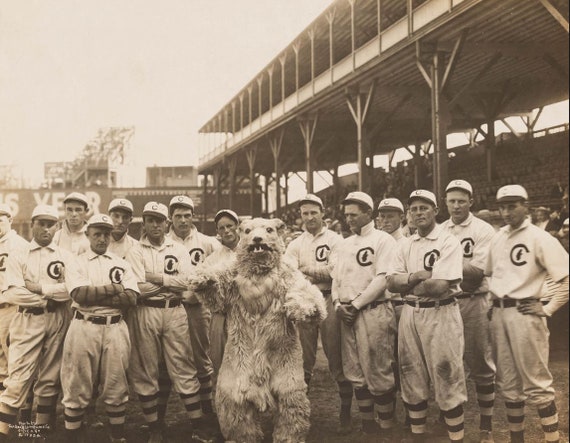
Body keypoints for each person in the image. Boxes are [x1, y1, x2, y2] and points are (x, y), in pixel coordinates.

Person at [125, 202, 216, 443]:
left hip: (175, 311)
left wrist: (154, 278)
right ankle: (155, 427)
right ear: (143, 222)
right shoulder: (135, 250)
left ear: (167, 223)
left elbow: (187, 281)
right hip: (145, 312)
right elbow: (138, 287)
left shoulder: (177, 248)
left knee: (184, 366)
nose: (156, 224)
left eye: (160, 220)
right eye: (151, 220)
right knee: (147, 369)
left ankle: (197, 424)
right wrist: (169, 282)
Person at [485, 185, 569, 443]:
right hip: (499, 314)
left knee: (537, 382)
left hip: (525, 313)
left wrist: (546, 309)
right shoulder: (498, 237)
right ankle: (516, 439)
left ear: (526, 206)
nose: (507, 212)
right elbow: (490, 274)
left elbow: (566, 279)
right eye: (503, 207)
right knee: (508, 383)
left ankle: (552, 439)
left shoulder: (540, 237)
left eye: (513, 206)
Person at [387, 189, 467, 443]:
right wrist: (415, 277)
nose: (418, 213)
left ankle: (457, 437)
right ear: (408, 214)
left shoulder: (448, 241)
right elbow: (391, 282)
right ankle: (418, 435)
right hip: (410, 312)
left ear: (435, 211)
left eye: (424, 207)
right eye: (414, 209)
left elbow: (439, 286)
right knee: (411, 373)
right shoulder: (404, 243)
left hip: (441, 311)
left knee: (446, 373)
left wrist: (407, 283)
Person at [0, 205, 84, 440]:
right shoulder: (20, 254)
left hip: (57, 319)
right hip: (27, 319)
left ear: (56, 227)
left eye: (51, 224)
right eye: (41, 223)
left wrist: (39, 288)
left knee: (49, 377)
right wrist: (46, 299)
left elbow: (70, 290)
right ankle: (3, 433)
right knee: (17, 377)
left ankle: (39, 432)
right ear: (32, 224)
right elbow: (13, 292)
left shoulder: (65, 256)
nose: (46, 228)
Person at [61, 214, 139, 442]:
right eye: (97, 233)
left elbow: (132, 297)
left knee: (116, 383)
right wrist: (115, 288)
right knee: (77, 385)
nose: (102, 238)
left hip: (115, 328)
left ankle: (117, 437)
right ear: (87, 235)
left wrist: (97, 294)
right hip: (83, 326)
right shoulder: (76, 262)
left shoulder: (121, 263)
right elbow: (79, 294)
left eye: (106, 233)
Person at [284, 194, 353, 435]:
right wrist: (311, 273)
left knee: (336, 357)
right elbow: (289, 274)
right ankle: (301, 412)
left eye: (314, 212)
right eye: (305, 213)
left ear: (323, 212)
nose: (310, 217)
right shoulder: (295, 243)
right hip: (304, 301)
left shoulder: (336, 239)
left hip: (328, 297)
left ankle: (345, 410)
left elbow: (335, 271)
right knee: (303, 359)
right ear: (300, 216)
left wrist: (307, 270)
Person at [331, 191, 397, 440]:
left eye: (354, 214)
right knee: (355, 372)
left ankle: (387, 427)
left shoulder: (383, 240)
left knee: (379, 370)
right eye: (346, 215)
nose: (349, 219)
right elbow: (335, 278)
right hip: (347, 314)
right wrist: (338, 304)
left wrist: (356, 305)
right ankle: (369, 426)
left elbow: (383, 279)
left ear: (368, 213)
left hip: (373, 310)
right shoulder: (344, 243)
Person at [441, 180, 496, 443]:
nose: (456, 206)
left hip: (475, 301)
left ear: (471, 202)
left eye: (461, 200)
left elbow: (476, 275)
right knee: (448, 362)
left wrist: (445, 262)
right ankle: (453, 423)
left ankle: (486, 425)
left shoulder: (483, 229)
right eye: (452, 201)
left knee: (481, 364)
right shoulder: (440, 229)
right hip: (448, 302)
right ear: (446, 202)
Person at [167, 195, 219, 417]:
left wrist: (199, 296)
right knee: (167, 359)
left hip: (198, 307)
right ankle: (161, 417)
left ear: (193, 216)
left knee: (201, 355)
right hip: (170, 307)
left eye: (187, 215)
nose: (183, 220)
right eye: (178, 216)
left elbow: (219, 274)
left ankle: (206, 411)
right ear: (170, 218)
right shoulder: (163, 241)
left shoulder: (207, 242)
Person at [202, 209, 240, 380]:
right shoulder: (212, 259)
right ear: (217, 231)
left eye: (230, 226)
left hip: (248, 313)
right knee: (220, 362)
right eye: (221, 228)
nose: (226, 231)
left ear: (237, 226)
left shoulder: (251, 251)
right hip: (222, 314)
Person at [0, 204, 29, 393]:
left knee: (14, 360)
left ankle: (19, 413)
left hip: (11, 308)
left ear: (10, 221)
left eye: (0, 220)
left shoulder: (19, 245)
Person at [53, 192, 90, 256]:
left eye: (78, 210)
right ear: (65, 210)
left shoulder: (93, 237)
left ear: (86, 211)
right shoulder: (55, 237)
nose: (73, 214)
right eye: (69, 210)